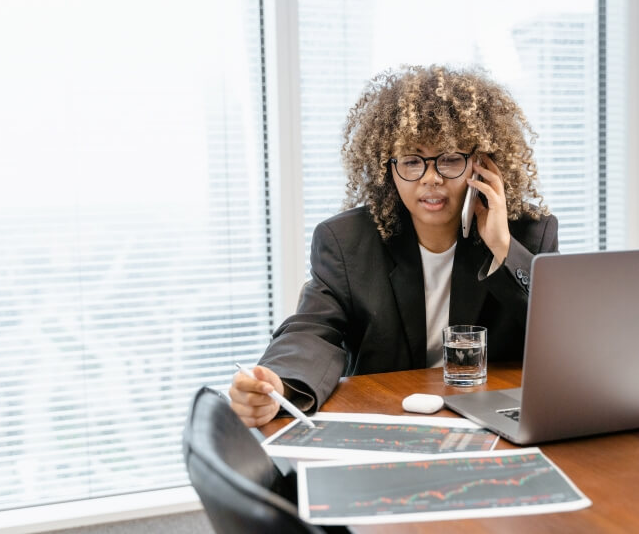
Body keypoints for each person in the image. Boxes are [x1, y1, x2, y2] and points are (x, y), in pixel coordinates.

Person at [229, 64, 558, 427]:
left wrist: (502, 247)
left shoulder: (528, 235)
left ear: (481, 165)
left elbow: (564, 341)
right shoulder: (347, 243)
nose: (430, 178)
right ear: (389, 168)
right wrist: (282, 384)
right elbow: (312, 330)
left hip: (494, 423)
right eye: (412, 161)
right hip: (390, 420)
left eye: (449, 159)